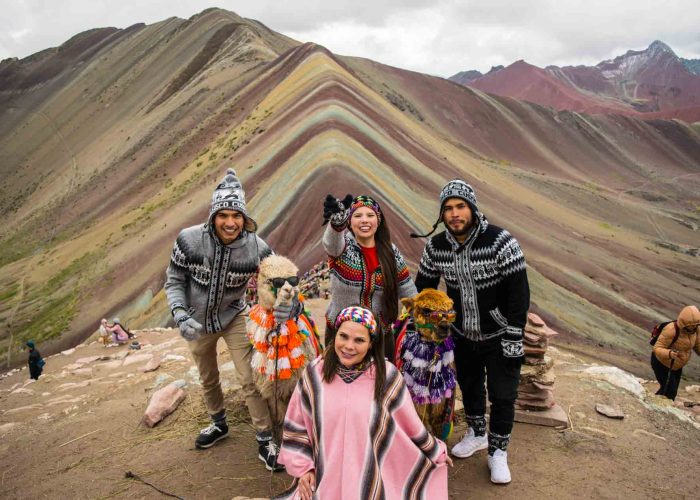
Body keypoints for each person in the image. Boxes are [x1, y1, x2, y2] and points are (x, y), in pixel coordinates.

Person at [164, 168, 294, 471]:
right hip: (194, 321)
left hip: (235, 315)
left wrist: (288, 305)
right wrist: (180, 314)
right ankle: (218, 423)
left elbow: (280, 279)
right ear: (213, 216)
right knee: (207, 376)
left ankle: (264, 439)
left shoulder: (257, 248)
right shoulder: (188, 241)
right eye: (223, 214)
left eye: (236, 215)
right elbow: (173, 280)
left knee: (249, 377)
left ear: (245, 218)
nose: (230, 222)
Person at [413, 179, 530, 484]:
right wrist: (427, 324)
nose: (454, 214)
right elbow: (423, 288)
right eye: (448, 208)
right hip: (461, 333)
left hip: (501, 333)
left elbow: (519, 292)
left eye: (460, 206)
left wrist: (515, 332)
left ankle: (498, 451)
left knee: (503, 395)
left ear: (473, 209)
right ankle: (477, 433)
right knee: (470, 385)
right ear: (442, 214)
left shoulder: (501, 242)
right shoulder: (436, 246)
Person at [277, 306, 450, 499]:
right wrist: (304, 470)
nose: (349, 346)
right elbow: (297, 426)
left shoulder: (386, 376)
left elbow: (410, 426)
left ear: (371, 344)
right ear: (335, 336)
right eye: (343, 336)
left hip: (370, 481)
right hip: (323, 479)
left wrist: (434, 451)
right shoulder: (314, 375)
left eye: (359, 340)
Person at [322, 194, 417, 355]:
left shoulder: (391, 252)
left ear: (378, 220)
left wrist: (425, 317)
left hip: (380, 336)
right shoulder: (342, 248)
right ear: (349, 221)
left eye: (370, 215)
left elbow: (407, 288)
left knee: (381, 379)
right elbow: (330, 243)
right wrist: (337, 224)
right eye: (357, 216)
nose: (364, 220)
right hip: (342, 335)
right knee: (338, 379)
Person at [651, 305, 700, 400]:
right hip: (661, 363)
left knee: (670, 390)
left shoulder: (696, 330)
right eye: (691, 325)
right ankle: (660, 410)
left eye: (695, 324)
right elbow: (657, 348)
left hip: (677, 365)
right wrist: (669, 353)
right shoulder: (671, 330)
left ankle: (654, 404)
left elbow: (698, 345)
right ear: (684, 322)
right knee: (670, 391)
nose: (693, 327)